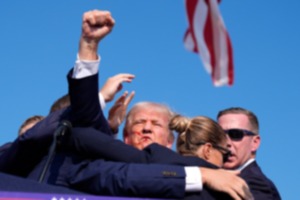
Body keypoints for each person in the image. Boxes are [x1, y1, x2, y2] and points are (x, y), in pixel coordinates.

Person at [0, 10, 252, 200]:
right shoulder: (91, 163)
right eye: (139, 123)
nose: (146, 129)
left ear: (170, 141)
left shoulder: (211, 181)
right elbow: (113, 164)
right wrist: (89, 47)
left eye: (155, 124)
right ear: (124, 137)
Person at [217, 107, 281, 199]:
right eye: (220, 135)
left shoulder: (256, 185)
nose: (226, 142)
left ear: (255, 142)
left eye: (236, 134)